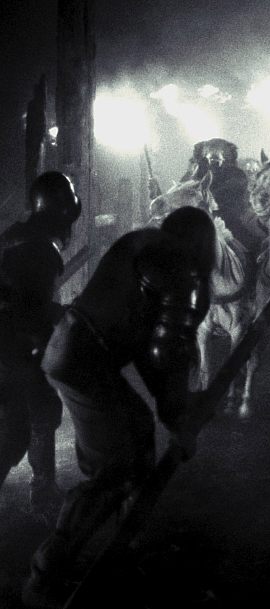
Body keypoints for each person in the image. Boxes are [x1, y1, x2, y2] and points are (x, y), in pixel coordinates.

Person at [22, 206, 216, 608]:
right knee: (118, 466)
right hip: (85, 360)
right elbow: (166, 354)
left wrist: (171, 413)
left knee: (138, 438)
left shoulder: (143, 243)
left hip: (77, 352)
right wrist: (178, 414)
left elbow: (147, 348)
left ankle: (122, 549)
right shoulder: (177, 266)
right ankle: (46, 574)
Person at [0, 172, 81, 517]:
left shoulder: (16, 235)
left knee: (25, 416)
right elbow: (30, 309)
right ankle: (43, 490)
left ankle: (43, 487)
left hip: (8, 338)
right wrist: (64, 315)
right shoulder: (41, 249)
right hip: (13, 343)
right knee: (30, 419)